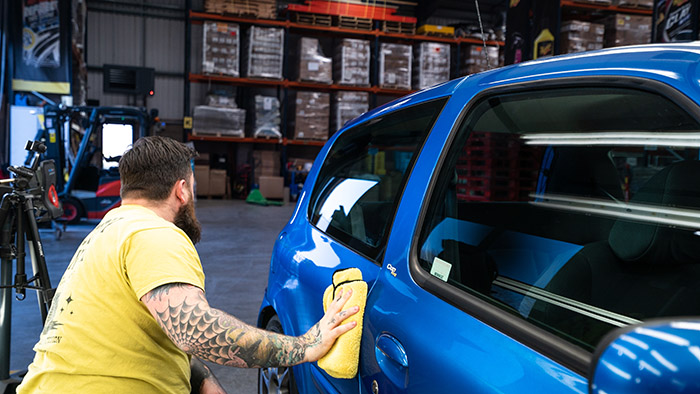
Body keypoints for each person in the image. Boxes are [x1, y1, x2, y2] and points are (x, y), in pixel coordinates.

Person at [17, 136, 358, 393]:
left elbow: (152, 329)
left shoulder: (108, 231)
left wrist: (202, 380)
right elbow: (194, 329)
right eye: (192, 188)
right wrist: (307, 346)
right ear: (181, 190)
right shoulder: (155, 234)